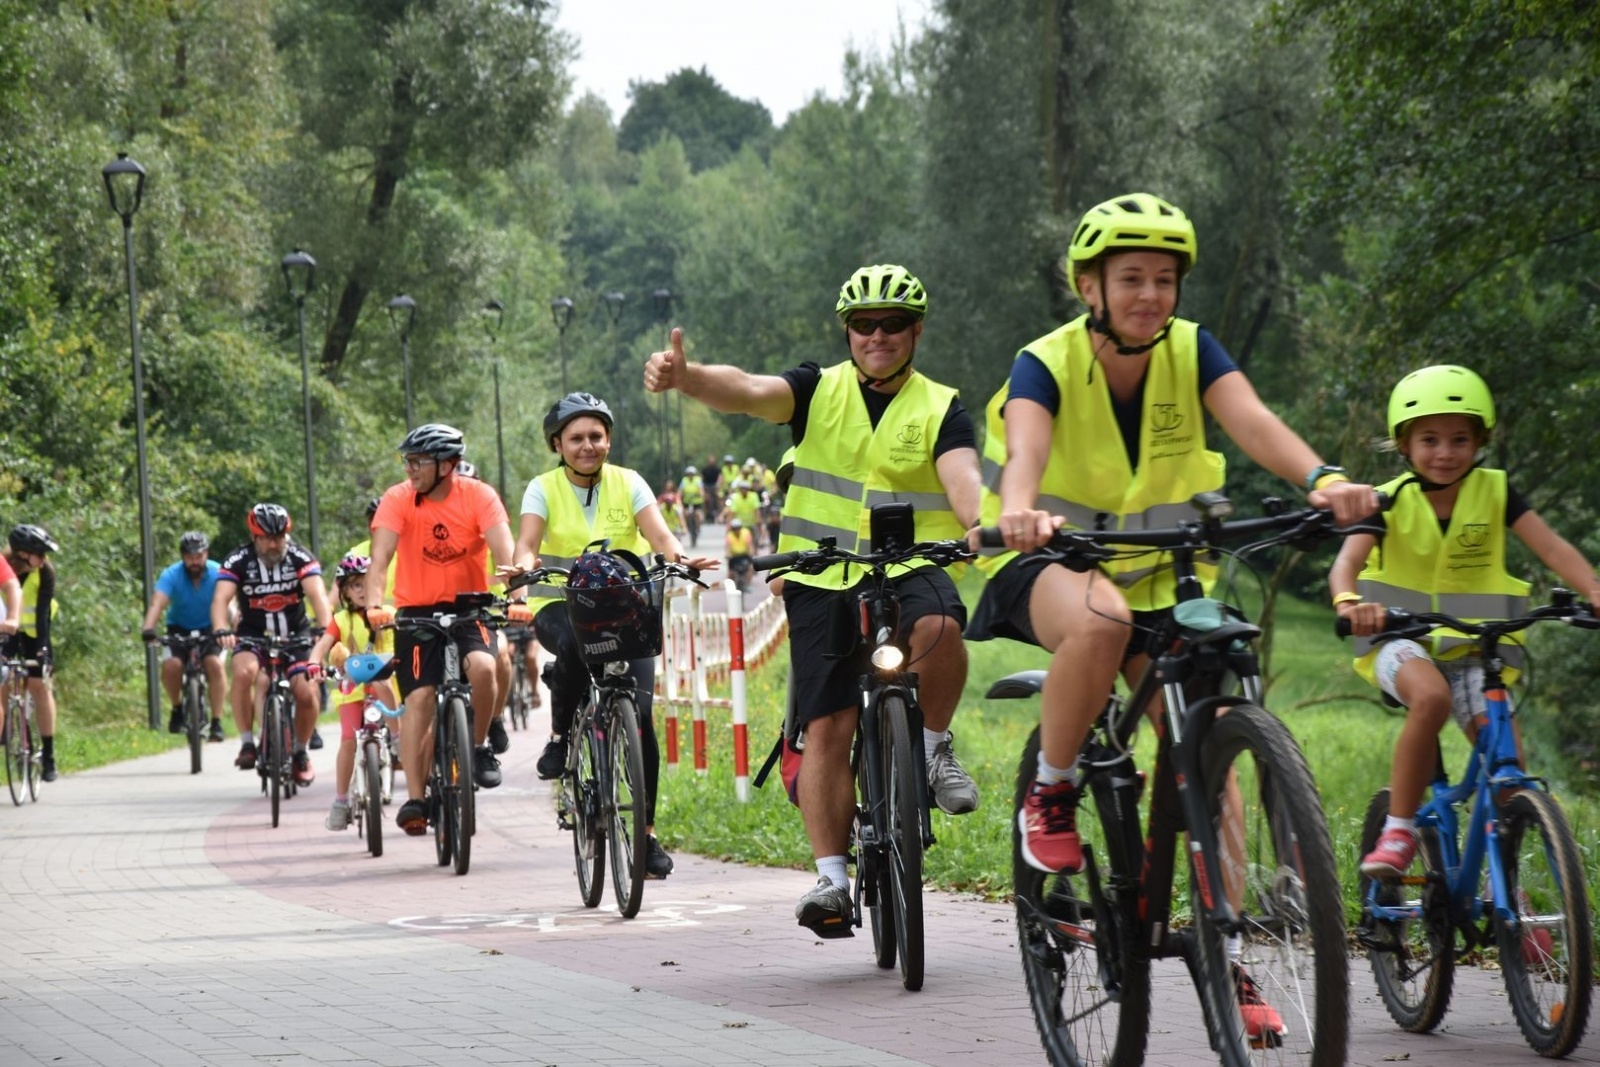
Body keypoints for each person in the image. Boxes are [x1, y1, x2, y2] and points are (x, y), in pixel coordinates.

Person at [970, 193, 1376, 1040]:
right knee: (1103, 621)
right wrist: (1019, 508)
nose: (1150, 294)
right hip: (1053, 557)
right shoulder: (1042, 361)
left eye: (1163, 279)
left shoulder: (1192, 352)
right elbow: (1027, 452)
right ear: (1091, 287)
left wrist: (1322, 478)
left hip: (1168, 571)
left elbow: (1253, 420)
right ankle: (1049, 794)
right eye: (1130, 278)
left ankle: (1224, 941)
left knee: (1212, 746)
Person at [644, 262, 984, 934]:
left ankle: (934, 745)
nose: (877, 335)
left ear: (916, 330)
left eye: (892, 324)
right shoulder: (816, 388)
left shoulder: (941, 405)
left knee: (942, 629)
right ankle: (832, 880)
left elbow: (963, 475)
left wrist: (978, 523)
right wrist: (690, 378)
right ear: (848, 332)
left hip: (911, 563)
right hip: (822, 572)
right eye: (863, 324)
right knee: (828, 725)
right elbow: (748, 391)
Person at [1330, 365, 1600, 879]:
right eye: (1429, 439)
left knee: (1509, 767)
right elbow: (1344, 565)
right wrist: (1348, 602)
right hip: (1398, 643)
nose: (1445, 452)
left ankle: (1507, 896)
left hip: (1478, 651)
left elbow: (1552, 547)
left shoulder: (1496, 494)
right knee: (1430, 698)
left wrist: (1592, 589)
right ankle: (1399, 828)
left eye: (1460, 439)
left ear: (1479, 442)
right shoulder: (1385, 502)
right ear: (1404, 445)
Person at [515, 392, 719, 880]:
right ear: (557, 444)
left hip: (624, 609)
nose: (588, 446)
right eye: (577, 438)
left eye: (596, 436)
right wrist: (522, 568)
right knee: (570, 646)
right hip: (560, 606)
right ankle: (562, 738)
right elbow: (526, 543)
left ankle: (646, 837)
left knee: (642, 716)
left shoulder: (630, 483)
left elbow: (660, 536)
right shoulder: (541, 488)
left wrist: (679, 558)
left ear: (608, 439)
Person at [363, 424, 530, 837]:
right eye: (407, 461)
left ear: (447, 465)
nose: (409, 469)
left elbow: (505, 553)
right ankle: (417, 799)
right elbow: (379, 560)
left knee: (485, 669)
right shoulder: (398, 498)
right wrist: (373, 605)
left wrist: (518, 597)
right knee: (419, 698)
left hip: (469, 606)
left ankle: (477, 749)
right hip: (416, 613)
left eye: (417, 462)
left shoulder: (479, 496)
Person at [212, 504, 331, 783]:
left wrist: (323, 628)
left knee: (306, 692)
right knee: (243, 673)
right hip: (252, 634)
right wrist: (220, 628)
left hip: (295, 634)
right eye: (266, 537)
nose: (273, 543)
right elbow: (221, 600)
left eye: (278, 537)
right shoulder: (238, 560)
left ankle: (301, 751)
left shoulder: (300, 558)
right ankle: (246, 743)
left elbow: (318, 596)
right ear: (254, 537)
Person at [308, 554, 399, 831]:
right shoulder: (342, 619)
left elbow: (405, 641)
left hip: (385, 680)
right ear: (345, 591)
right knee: (348, 740)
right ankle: (340, 800)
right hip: (352, 686)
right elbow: (323, 644)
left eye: (366, 583)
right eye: (355, 586)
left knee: (387, 689)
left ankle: (397, 739)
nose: (362, 590)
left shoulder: (388, 614)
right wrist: (314, 662)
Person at [140, 531, 228, 742]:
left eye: (199, 556)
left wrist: (234, 624)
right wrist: (148, 628)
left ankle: (216, 721)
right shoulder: (171, 575)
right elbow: (158, 603)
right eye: (189, 557)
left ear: (206, 554)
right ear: (182, 557)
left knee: (214, 665)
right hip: (179, 628)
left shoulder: (218, 572)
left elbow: (228, 603)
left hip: (211, 627)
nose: (194, 561)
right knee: (172, 666)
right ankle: (177, 707)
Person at [3, 525, 62, 781]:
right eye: (41, 553)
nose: (45, 559)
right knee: (5, 683)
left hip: (34, 634)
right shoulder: (4, 566)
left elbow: (42, 613)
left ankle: (48, 754)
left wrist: (43, 649)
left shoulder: (45, 572)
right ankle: (10, 731)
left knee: (40, 687)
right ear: (24, 554)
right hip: (6, 632)